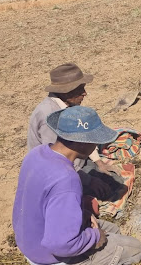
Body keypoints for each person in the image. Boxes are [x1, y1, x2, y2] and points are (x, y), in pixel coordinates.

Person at [13, 106, 141, 265]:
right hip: (51, 259)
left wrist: (84, 215)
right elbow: (61, 244)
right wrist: (95, 238)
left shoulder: (36, 153)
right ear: (82, 143)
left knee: (115, 230)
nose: (96, 144)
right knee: (135, 248)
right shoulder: (67, 178)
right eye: (94, 140)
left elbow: (48, 203)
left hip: (31, 240)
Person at [27, 63, 116, 199]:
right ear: (66, 92)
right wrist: (89, 181)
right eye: (80, 89)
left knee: (114, 180)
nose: (85, 93)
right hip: (61, 172)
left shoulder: (68, 104)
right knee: (110, 189)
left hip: (76, 161)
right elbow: (57, 163)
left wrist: (99, 162)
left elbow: (84, 134)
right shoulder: (49, 116)